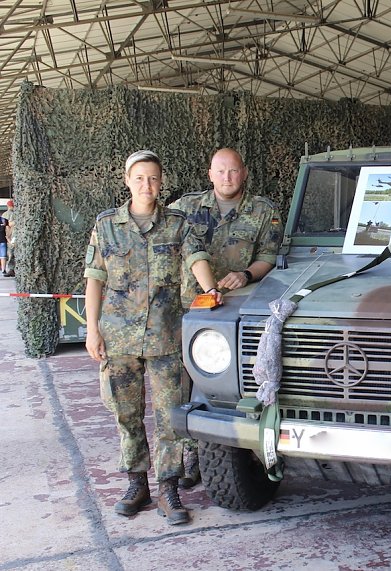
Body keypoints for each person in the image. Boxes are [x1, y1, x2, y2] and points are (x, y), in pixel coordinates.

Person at [84, 150, 222, 526]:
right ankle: (136, 484)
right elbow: (95, 277)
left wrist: (212, 290)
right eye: (140, 178)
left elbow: (196, 257)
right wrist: (92, 329)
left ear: (162, 183)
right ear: (128, 181)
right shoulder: (107, 225)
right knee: (126, 415)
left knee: (169, 417)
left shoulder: (176, 223)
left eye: (154, 179)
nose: (147, 185)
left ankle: (169, 489)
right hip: (119, 339)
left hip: (165, 337)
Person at [168, 147, 283, 488]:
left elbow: (270, 256)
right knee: (180, 380)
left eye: (233, 171)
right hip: (188, 306)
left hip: (233, 309)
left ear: (244, 173)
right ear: (210, 174)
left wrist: (246, 275)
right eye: (221, 172)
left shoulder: (263, 210)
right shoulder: (186, 208)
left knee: (222, 383)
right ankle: (189, 456)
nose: (227, 178)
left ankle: (224, 450)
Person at [4, 199, 14, 277]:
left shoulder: (4, 214)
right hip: (12, 236)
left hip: (7, 236)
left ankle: (11, 269)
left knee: (9, 253)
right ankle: (12, 269)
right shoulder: (14, 214)